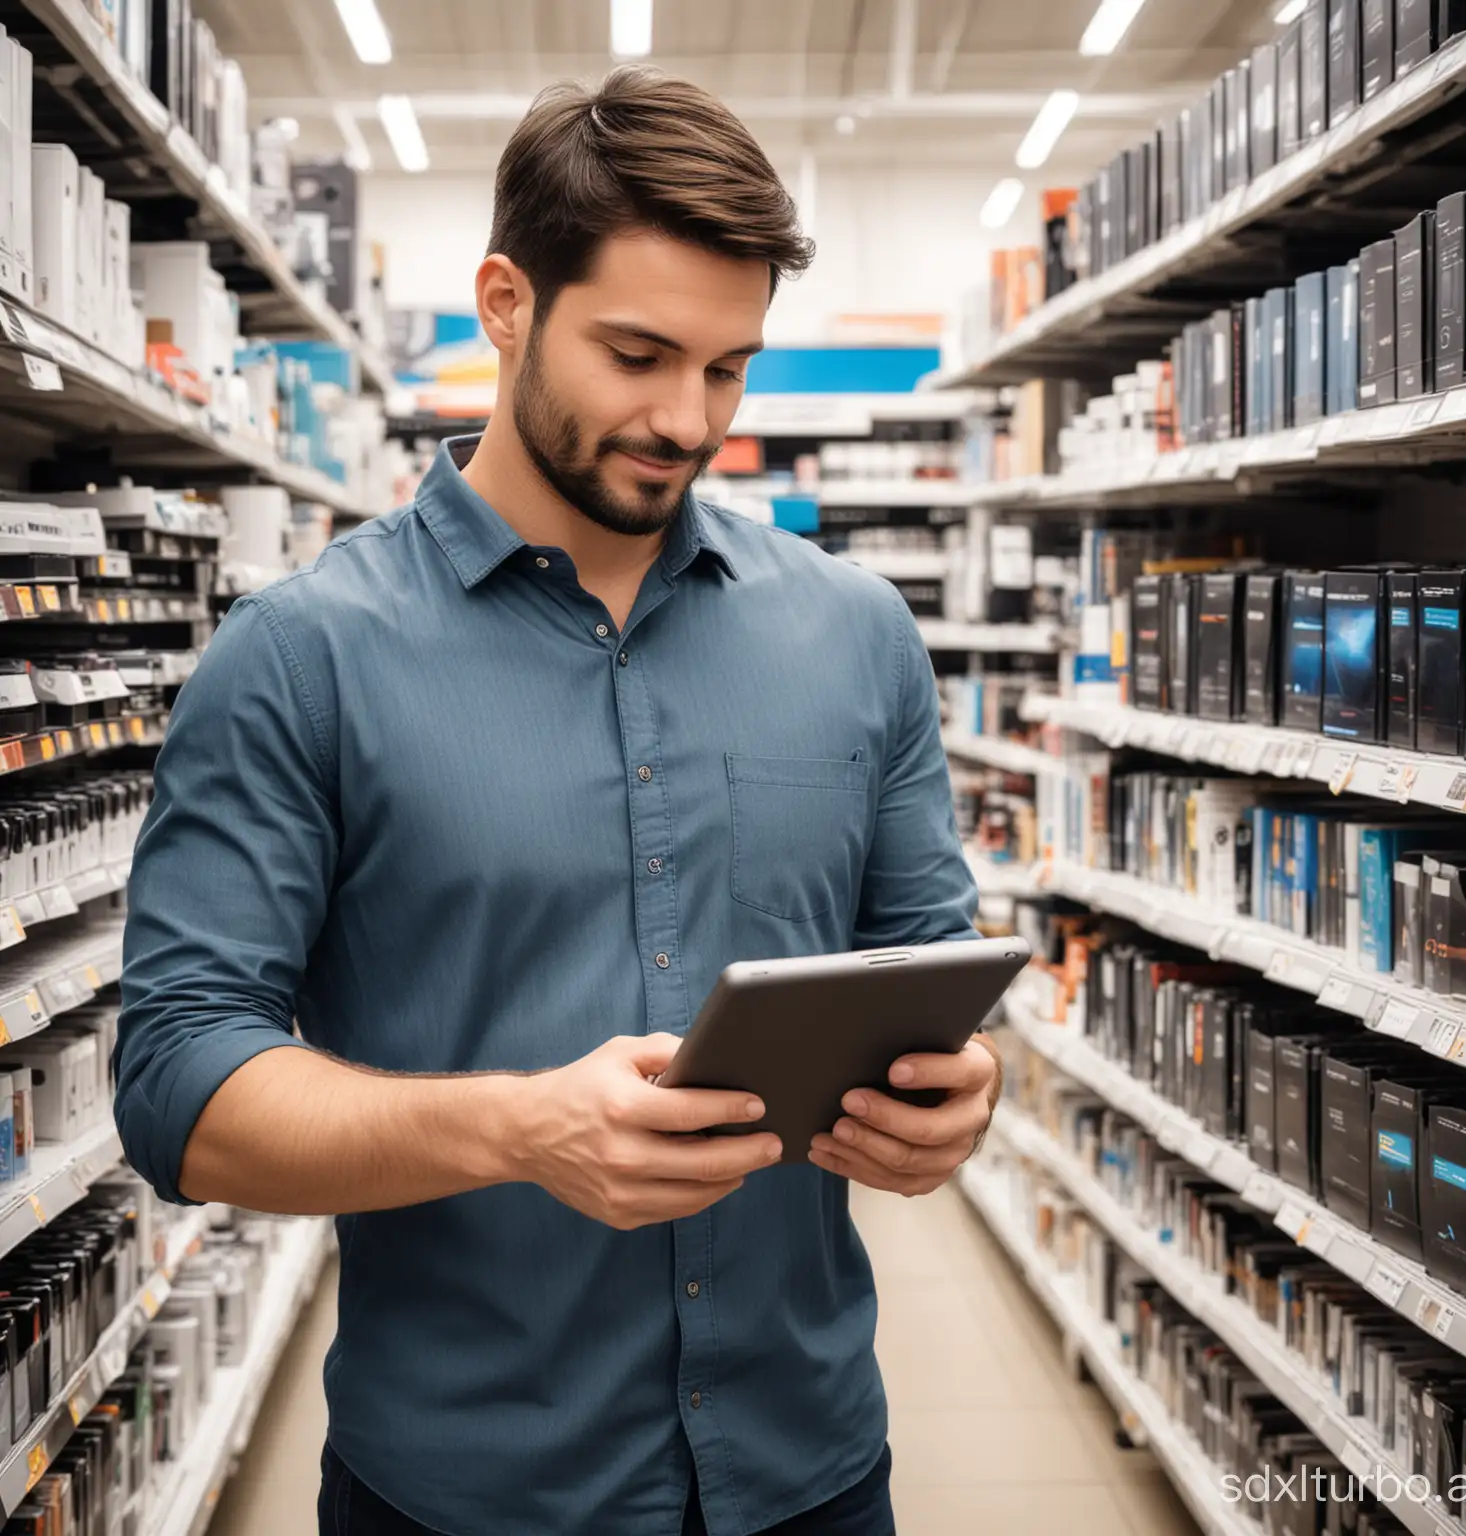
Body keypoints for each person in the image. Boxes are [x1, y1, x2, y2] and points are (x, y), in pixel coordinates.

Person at [114, 67, 998, 1536]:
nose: (685, 417)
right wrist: (518, 1128)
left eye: (727, 368)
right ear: (507, 303)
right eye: (637, 352)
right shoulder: (301, 661)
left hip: (815, 1472)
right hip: (466, 1489)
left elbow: (929, 973)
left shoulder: (856, 635)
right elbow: (178, 1084)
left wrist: (948, 1110)